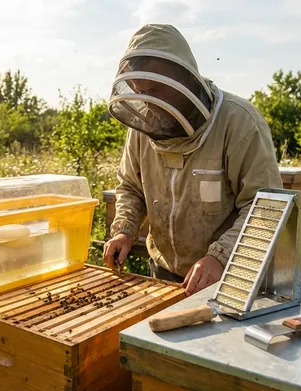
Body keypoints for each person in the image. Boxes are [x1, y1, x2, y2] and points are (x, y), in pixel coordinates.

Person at [103, 23, 283, 297]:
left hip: (229, 278)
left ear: (182, 79)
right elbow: (131, 187)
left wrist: (220, 257)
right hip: (163, 273)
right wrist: (124, 230)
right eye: (141, 91)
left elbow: (265, 207)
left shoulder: (239, 123)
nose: (149, 103)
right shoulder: (142, 128)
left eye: (156, 90)